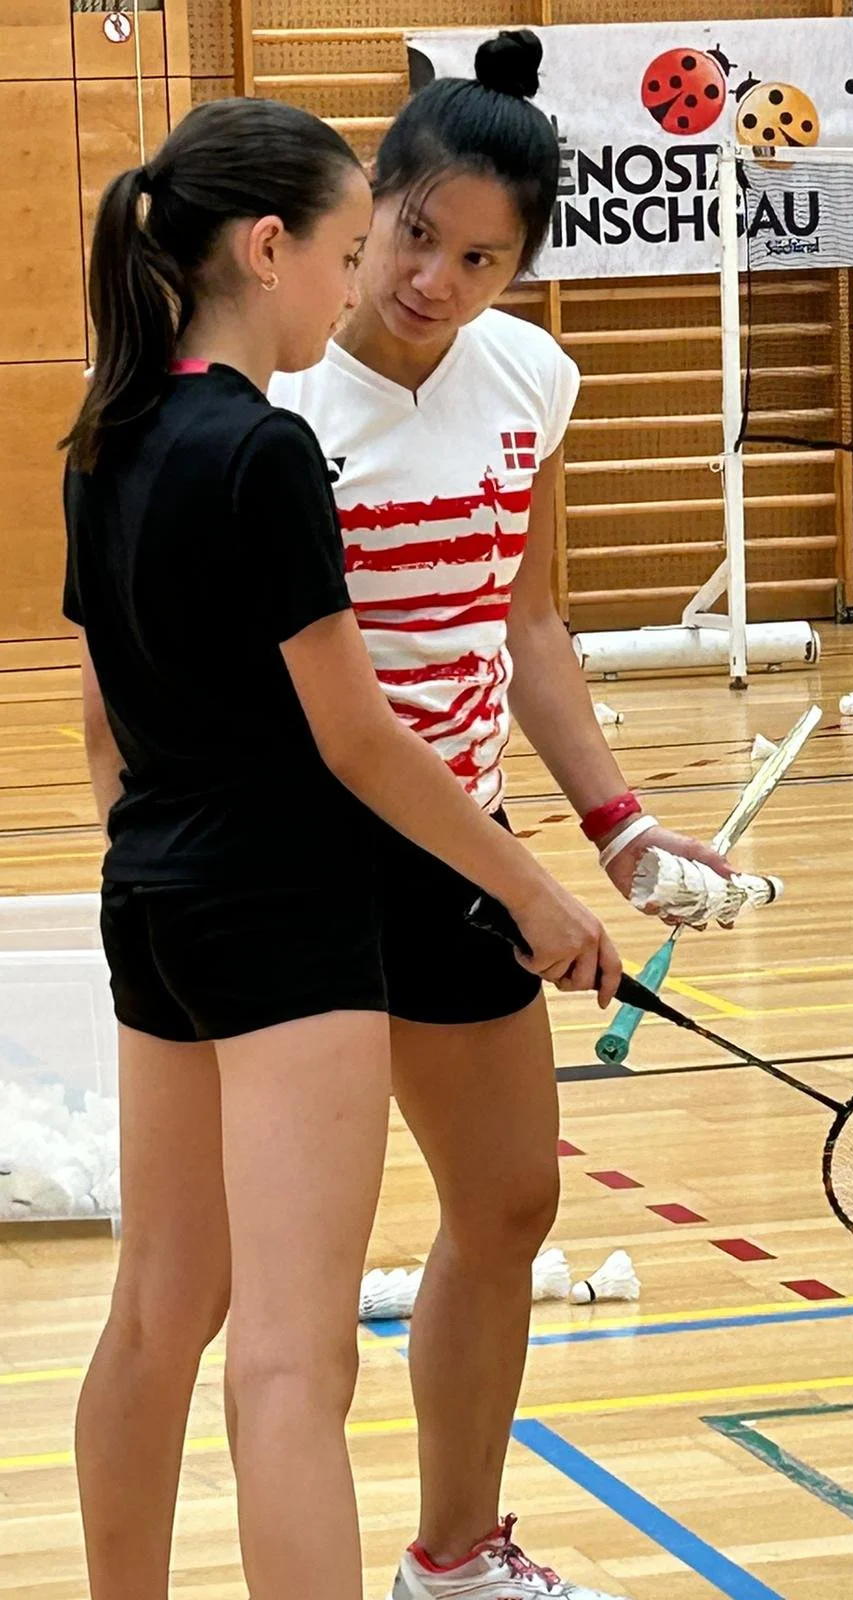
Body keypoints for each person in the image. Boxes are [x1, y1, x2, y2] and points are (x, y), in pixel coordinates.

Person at [62, 97, 618, 1600]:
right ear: (275, 248)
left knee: (156, 1312)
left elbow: (107, 725)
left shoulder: (104, 434)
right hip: (291, 912)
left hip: (158, 905)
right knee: (292, 1368)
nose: (382, 268)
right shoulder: (267, 452)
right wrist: (536, 890)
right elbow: (358, 738)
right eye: (360, 241)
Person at [268, 30, 732, 1600]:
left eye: (482, 257)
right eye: (414, 238)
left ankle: (455, 1560)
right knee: (284, 1277)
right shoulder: (279, 411)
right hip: (310, 870)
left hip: (466, 845)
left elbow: (523, 626)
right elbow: (319, 717)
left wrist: (616, 825)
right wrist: (533, 883)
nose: (435, 283)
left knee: (513, 1199)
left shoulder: (532, 377)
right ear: (367, 208)